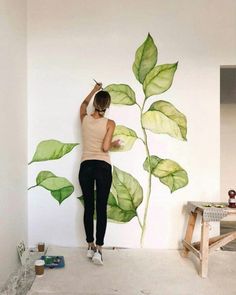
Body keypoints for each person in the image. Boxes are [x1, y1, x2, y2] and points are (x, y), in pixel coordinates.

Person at [78, 82, 119, 265]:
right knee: (101, 208)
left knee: (89, 207)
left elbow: (82, 105)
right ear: (107, 106)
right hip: (102, 166)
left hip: (86, 166)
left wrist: (94, 89)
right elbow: (104, 147)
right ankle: (99, 251)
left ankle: (90, 246)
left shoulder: (85, 119)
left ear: (95, 104)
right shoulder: (110, 123)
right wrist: (114, 145)